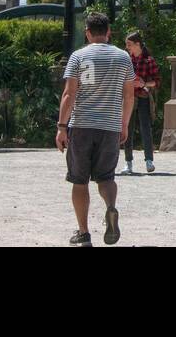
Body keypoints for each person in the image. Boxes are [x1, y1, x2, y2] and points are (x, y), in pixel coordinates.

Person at [57, 13, 135, 246]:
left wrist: (62, 127)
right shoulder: (123, 57)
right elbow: (129, 95)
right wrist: (124, 124)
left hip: (82, 126)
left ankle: (83, 233)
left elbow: (69, 94)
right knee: (106, 177)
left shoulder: (78, 56)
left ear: (88, 32)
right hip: (109, 127)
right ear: (108, 31)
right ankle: (111, 207)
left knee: (79, 180)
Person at [121, 31, 160, 175]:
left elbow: (156, 82)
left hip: (143, 96)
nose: (127, 48)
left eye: (129, 44)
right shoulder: (126, 60)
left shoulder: (149, 60)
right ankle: (128, 162)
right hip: (129, 97)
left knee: (146, 129)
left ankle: (149, 160)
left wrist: (144, 83)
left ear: (138, 44)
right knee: (127, 129)